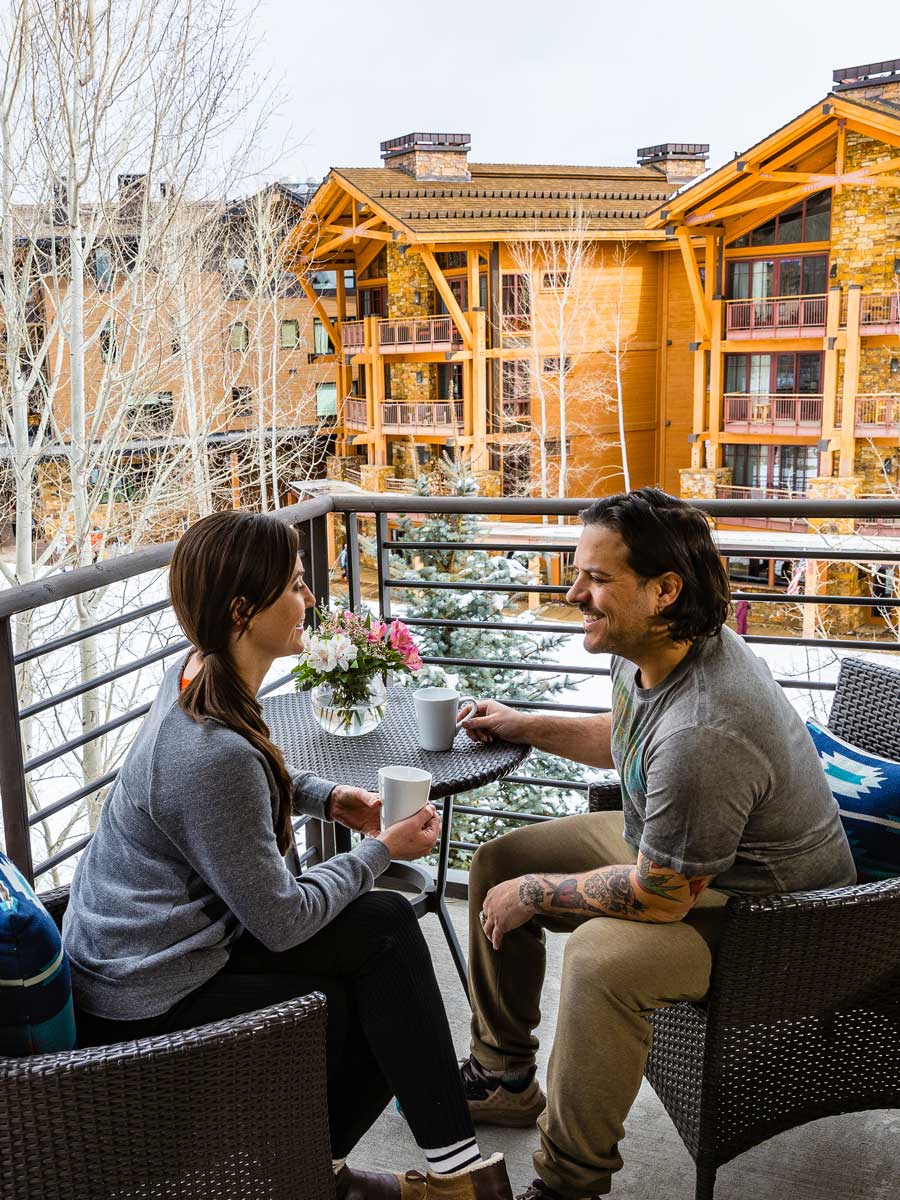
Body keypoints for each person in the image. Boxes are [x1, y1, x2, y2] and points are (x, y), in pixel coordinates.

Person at [63, 510, 515, 1200]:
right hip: (147, 989)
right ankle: (365, 1176)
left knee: (383, 933)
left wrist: (330, 799)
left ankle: (398, 1175)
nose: (309, 601)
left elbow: (246, 779)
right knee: (358, 983)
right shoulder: (207, 749)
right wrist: (378, 850)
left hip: (156, 950)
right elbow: (281, 918)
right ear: (243, 609)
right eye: (296, 586)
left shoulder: (199, 675)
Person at [458, 488, 856, 1200]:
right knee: (500, 861)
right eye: (579, 572)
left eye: (597, 579)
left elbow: (659, 896)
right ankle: (504, 1075)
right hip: (687, 860)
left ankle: (567, 1184)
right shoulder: (649, 644)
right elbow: (635, 745)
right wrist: (527, 725)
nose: (575, 592)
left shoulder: (707, 726)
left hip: (777, 919)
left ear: (664, 590)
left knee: (599, 958)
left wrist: (536, 896)